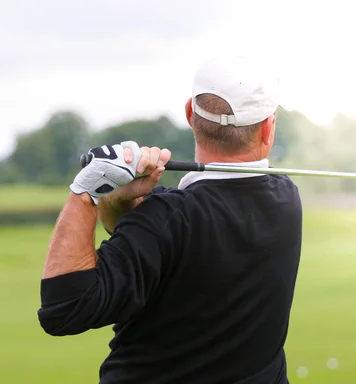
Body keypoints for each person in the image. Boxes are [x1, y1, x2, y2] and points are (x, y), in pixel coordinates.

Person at [38, 56, 303, 384]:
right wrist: (121, 204)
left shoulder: (165, 218)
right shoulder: (287, 199)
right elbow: (163, 248)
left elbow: (64, 307)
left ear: (190, 113)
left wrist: (87, 190)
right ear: (267, 129)